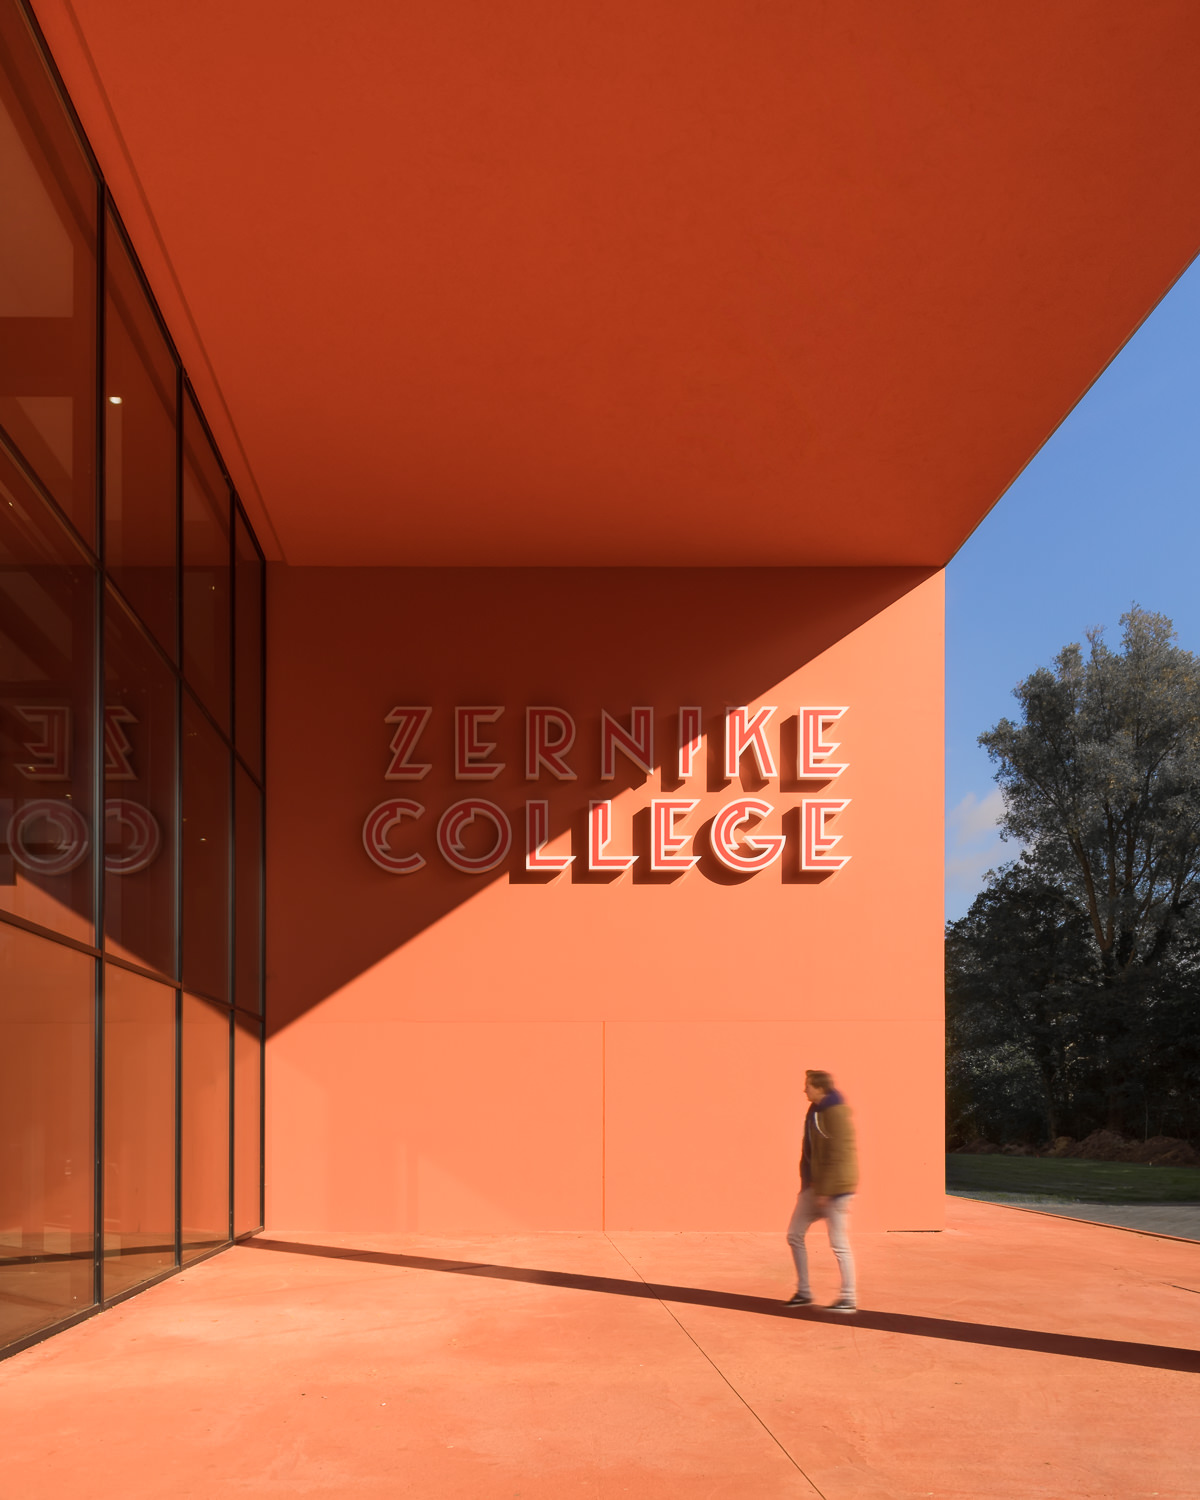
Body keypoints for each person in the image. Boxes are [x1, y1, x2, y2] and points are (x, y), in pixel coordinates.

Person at [784, 1069, 858, 1313]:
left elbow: (840, 1153)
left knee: (838, 1243)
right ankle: (804, 1292)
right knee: (794, 1234)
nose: (804, 1089)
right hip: (815, 1187)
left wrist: (827, 1192)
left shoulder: (834, 1111)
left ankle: (848, 1297)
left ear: (819, 1087)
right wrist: (808, 1184)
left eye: (807, 1085)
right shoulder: (814, 1109)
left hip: (835, 1189)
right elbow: (810, 1151)